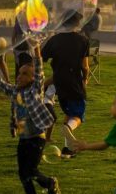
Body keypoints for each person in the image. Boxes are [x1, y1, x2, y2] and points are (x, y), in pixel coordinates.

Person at [0, 44, 60, 194]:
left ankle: (50, 182)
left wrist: (36, 49)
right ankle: (45, 185)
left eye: (25, 74)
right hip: (23, 138)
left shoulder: (36, 89)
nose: (20, 76)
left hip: (36, 138)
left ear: (33, 78)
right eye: (19, 73)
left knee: (31, 170)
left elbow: (39, 69)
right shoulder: (15, 91)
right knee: (23, 174)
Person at [41, 10, 90, 158]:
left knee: (69, 113)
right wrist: (85, 80)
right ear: (76, 23)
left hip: (59, 84)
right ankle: (67, 128)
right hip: (74, 82)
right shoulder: (83, 40)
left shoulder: (54, 40)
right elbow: (85, 67)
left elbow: (41, 58)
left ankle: (67, 150)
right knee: (78, 115)